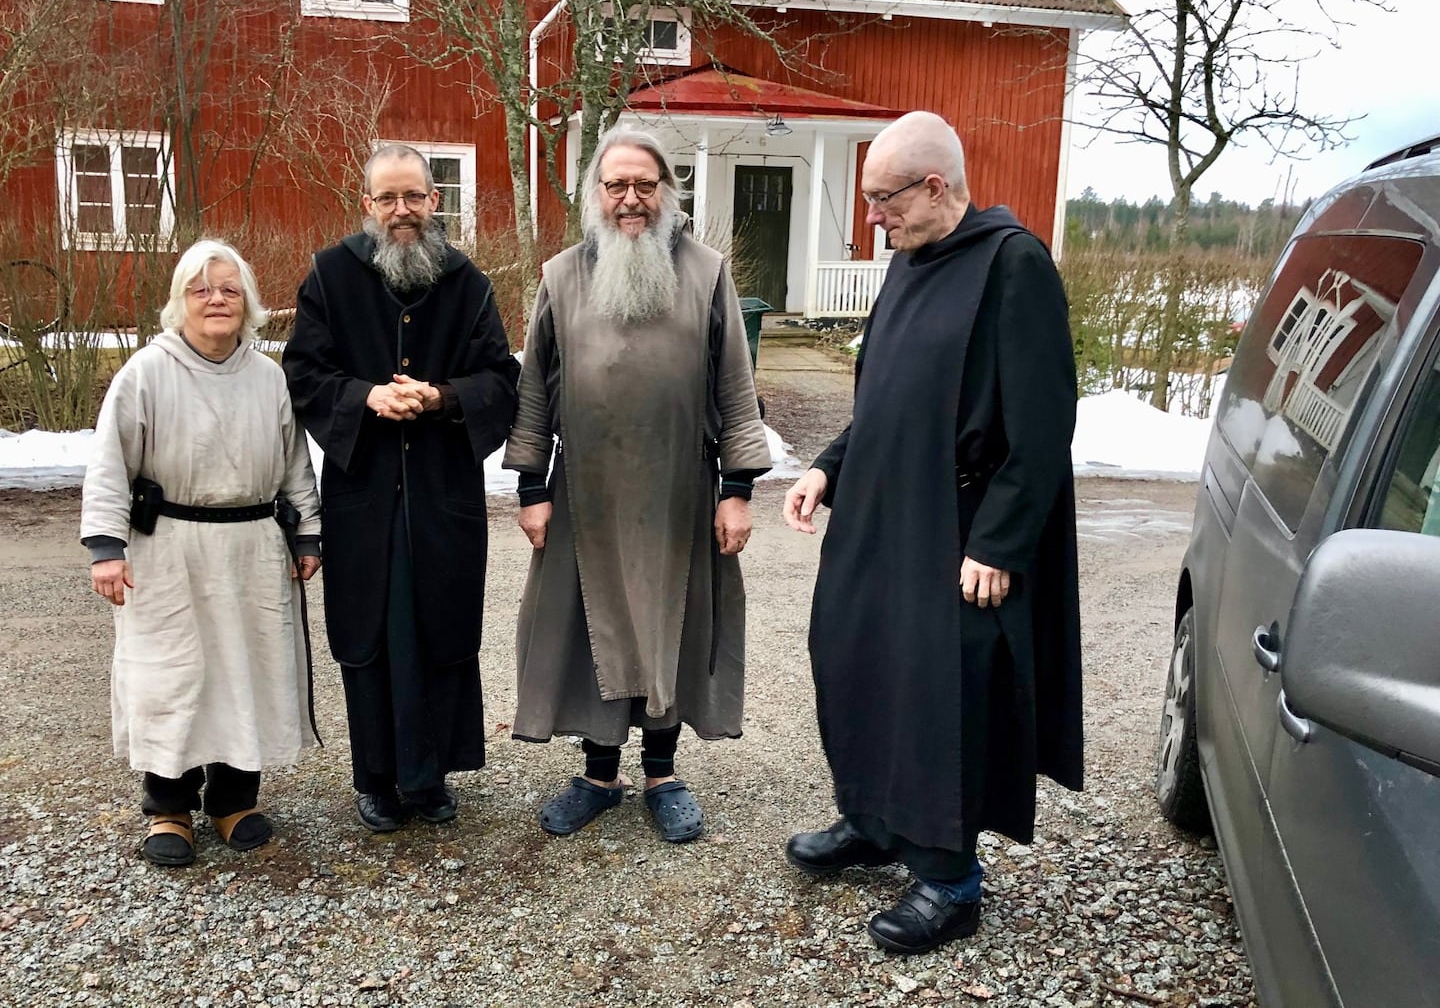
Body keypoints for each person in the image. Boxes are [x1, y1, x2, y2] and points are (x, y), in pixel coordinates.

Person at [782, 111, 1083, 953]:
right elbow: (882, 401)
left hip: (954, 535)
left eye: (885, 200)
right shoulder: (911, 263)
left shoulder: (1011, 265)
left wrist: (999, 543)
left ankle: (951, 880)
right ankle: (873, 822)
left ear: (935, 187)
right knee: (856, 664)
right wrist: (827, 467)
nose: (874, 216)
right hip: (879, 525)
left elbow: (1044, 422)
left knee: (939, 701)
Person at [503, 126, 771, 843]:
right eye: (616, 185)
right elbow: (534, 390)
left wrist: (737, 488)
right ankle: (598, 774)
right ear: (596, 194)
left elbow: (736, 390)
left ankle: (662, 773)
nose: (630, 199)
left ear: (667, 192)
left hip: (679, 488)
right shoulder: (561, 276)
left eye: (644, 186)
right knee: (592, 630)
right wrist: (532, 487)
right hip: (586, 491)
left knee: (669, 626)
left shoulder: (707, 272)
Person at [282, 144, 518, 834]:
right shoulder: (330, 276)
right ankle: (377, 778)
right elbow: (303, 373)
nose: (402, 211)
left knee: (438, 629)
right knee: (373, 637)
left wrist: (440, 397)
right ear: (367, 206)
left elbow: (500, 379)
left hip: (442, 496)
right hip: (365, 496)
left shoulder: (466, 281)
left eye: (413, 197)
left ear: (434, 200)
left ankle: (433, 775)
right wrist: (365, 399)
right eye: (387, 199)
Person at [81, 239, 322, 867]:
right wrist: (107, 546)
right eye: (201, 288)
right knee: (175, 676)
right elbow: (109, 464)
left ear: (247, 303)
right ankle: (168, 807)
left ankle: (234, 800)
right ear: (180, 301)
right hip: (169, 549)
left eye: (229, 289)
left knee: (247, 670)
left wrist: (306, 534)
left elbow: (295, 464)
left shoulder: (268, 377)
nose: (216, 299)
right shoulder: (146, 373)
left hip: (251, 548)